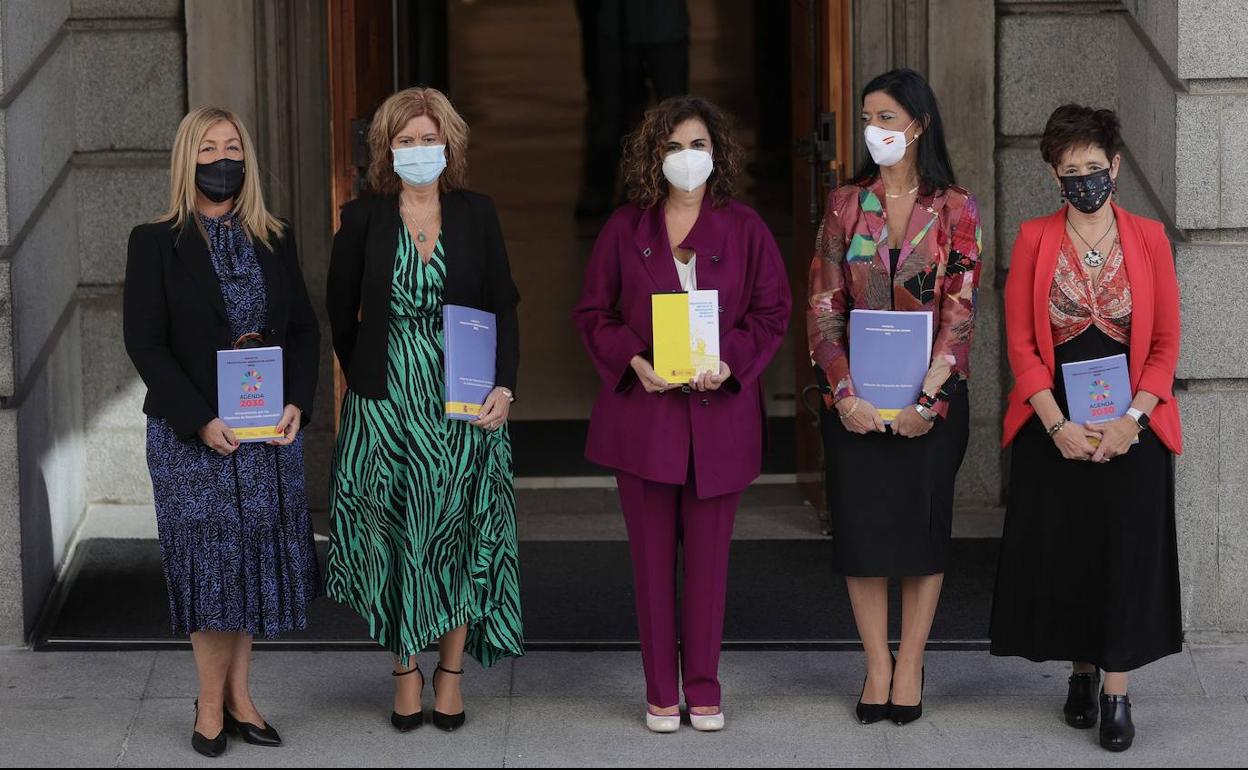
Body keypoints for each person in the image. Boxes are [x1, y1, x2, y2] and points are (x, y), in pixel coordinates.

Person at [573, 95, 791, 733]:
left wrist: (731, 362)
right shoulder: (624, 229)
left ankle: (704, 687)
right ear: (653, 156)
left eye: (698, 146)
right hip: (645, 422)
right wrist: (633, 358)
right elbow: (593, 313)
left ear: (717, 154)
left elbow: (772, 312)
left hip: (719, 423)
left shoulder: (745, 229)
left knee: (708, 568)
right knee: (650, 567)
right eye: (673, 147)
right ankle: (660, 692)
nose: (687, 158)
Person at [324, 86, 524, 734]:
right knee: (395, 535)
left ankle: (451, 674)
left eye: (428, 139)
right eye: (405, 140)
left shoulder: (476, 213)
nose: (418, 150)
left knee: (458, 535)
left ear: (449, 144)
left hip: (463, 399)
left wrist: (504, 387)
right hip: (386, 406)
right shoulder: (362, 218)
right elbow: (339, 311)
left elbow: (503, 305)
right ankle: (405, 669)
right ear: (387, 150)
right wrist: (366, 378)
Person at [123, 107, 321, 758]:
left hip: (265, 431)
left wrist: (298, 403)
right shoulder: (155, 242)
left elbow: (303, 329)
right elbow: (145, 344)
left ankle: (240, 697)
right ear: (188, 159)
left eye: (232, 147)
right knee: (211, 568)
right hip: (191, 437)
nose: (221, 159)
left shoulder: (274, 237)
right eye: (207, 149)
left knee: (250, 565)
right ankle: (209, 704)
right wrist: (200, 420)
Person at [989, 104, 1183, 753]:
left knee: (1124, 556)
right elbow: (1021, 345)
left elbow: (1166, 344)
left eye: (1094, 167)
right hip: (1057, 425)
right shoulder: (1033, 239)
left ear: (1116, 166)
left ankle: (1116, 691)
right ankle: (1080, 671)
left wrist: (1132, 421)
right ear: (1054, 174)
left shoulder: (1150, 239)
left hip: (1133, 427)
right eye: (1070, 170)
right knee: (1071, 553)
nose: (1084, 180)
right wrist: (1056, 425)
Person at [805, 68, 981, 727]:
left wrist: (927, 403)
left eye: (885, 117)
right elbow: (823, 305)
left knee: (922, 533)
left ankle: (911, 664)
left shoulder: (957, 208)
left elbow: (961, 312)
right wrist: (844, 395)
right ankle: (877, 663)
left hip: (929, 405)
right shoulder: (845, 204)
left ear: (919, 124)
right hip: (855, 405)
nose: (873, 129)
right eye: (867, 118)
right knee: (864, 534)